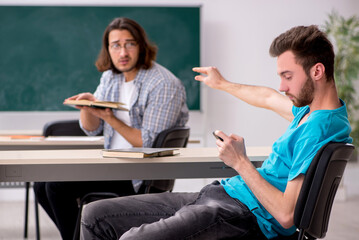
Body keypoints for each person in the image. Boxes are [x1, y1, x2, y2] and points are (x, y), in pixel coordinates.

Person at [80, 25, 352, 240]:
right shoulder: (314, 112)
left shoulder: (319, 129)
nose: (281, 86)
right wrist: (222, 84)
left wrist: (240, 162)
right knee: (94, 214)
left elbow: (285, 214)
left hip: (242, 215)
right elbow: (267, 97)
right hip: (223, 195)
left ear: (317, 71)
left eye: (288, 76)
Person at [33, 17, 188, 240]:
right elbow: (92, 130)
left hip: (140, 174)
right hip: (112, 164)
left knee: (57, 186)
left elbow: (149, 143)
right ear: (108, 49)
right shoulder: (111, 77)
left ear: (141, 46)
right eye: (116, 45)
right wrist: (87, 107)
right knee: (42, 184)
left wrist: (111, 119)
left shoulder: (163, 83)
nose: (122, 52)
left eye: (129, 44)